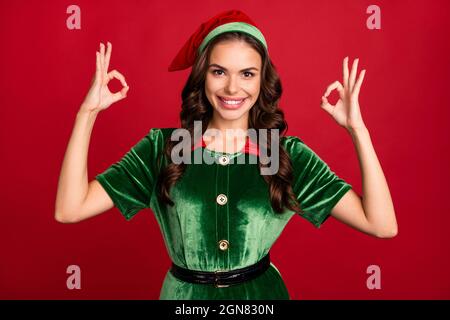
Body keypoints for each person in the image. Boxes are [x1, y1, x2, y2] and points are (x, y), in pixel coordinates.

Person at [54, 9, 398, 300]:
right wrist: (86, 115)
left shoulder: (282, 154)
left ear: (263, 80)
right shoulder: (164, 148)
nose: (233, 88)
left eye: (247, 74)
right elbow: (70, 209)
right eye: (219, 72)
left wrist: (358, 131)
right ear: (203, 75)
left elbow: (381, 225)